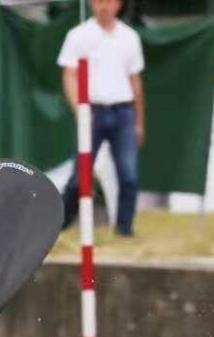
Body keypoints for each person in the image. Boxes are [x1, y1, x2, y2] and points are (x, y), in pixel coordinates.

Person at [57, 0, 145, 237]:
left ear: (119, 4)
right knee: (79, 178)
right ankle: (58, 226)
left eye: (109, 0)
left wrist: (139, 122)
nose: (104, 5)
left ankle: (124, 231)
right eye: (98, 0)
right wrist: (80, 109)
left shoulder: (130, 38)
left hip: (123, 113)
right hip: (92, 113)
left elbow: (135, 82)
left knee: (129, 177)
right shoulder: (78, 36)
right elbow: (69, 76)